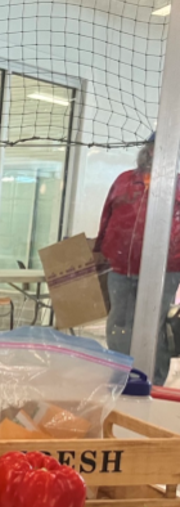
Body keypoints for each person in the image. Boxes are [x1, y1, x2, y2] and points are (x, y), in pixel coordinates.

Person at [94, 133, 180, 386]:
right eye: (155, 147)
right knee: (119, 321)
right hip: (121, 267)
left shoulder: (177, 185)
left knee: (156, 325)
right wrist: (100, 251)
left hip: (164, 270)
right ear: (148, 150)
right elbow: (107, 216)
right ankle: (120, 376)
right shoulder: (123, 181)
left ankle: (153, 381)